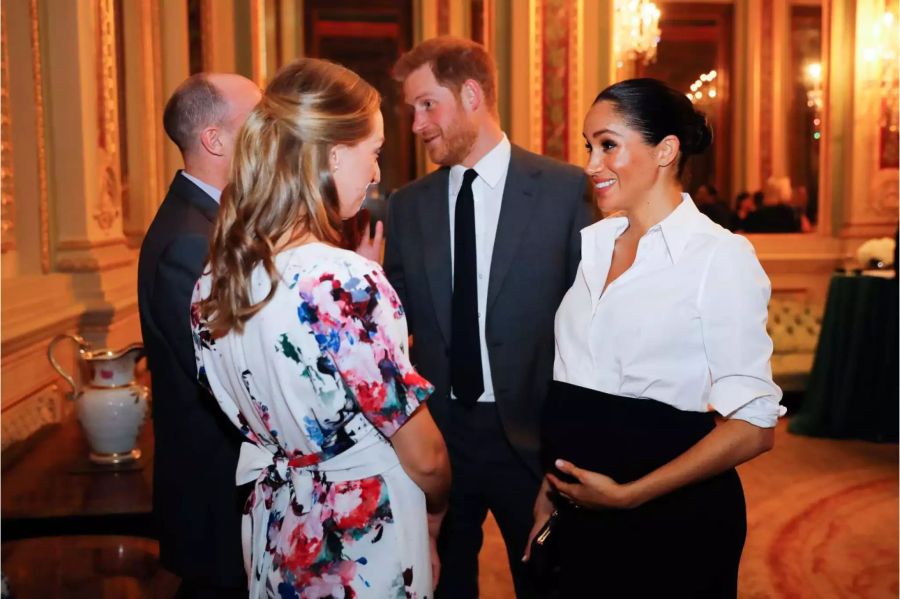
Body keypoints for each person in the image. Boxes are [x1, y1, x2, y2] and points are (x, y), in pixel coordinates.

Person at [191, 58, 451, 598]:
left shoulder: (214, 281)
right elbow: (426, 456)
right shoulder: (343, 282)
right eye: (373, 153)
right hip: (361, 542)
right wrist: (437, 511)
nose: (377, 172)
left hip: (278, 527)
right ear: (333, 155)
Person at [528, 78, 783, 597]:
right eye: (588, 146)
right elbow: (579, 384)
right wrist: (549, 493)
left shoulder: (719, 256)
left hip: (671, 522)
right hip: (579, 511)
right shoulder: (595, 246)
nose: (591, 163)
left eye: (608, 145)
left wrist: (629, 496)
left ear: (665, 150)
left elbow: (755, 427)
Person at [385, 36, 596, 598]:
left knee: (548, 581)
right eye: (412, 110)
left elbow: (592, 325)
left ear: (471, 94)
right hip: (437, 440)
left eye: (427, 104)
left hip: (531, 437)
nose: (416, 124)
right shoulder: (408, 206)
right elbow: (391, 323)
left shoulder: (564, 190)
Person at [137, 72, 260, 598]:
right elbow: (228, 378)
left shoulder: (209, 222)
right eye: (257, 122)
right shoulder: (191, 240)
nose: (267, 135)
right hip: (216, 501)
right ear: (214, 139)